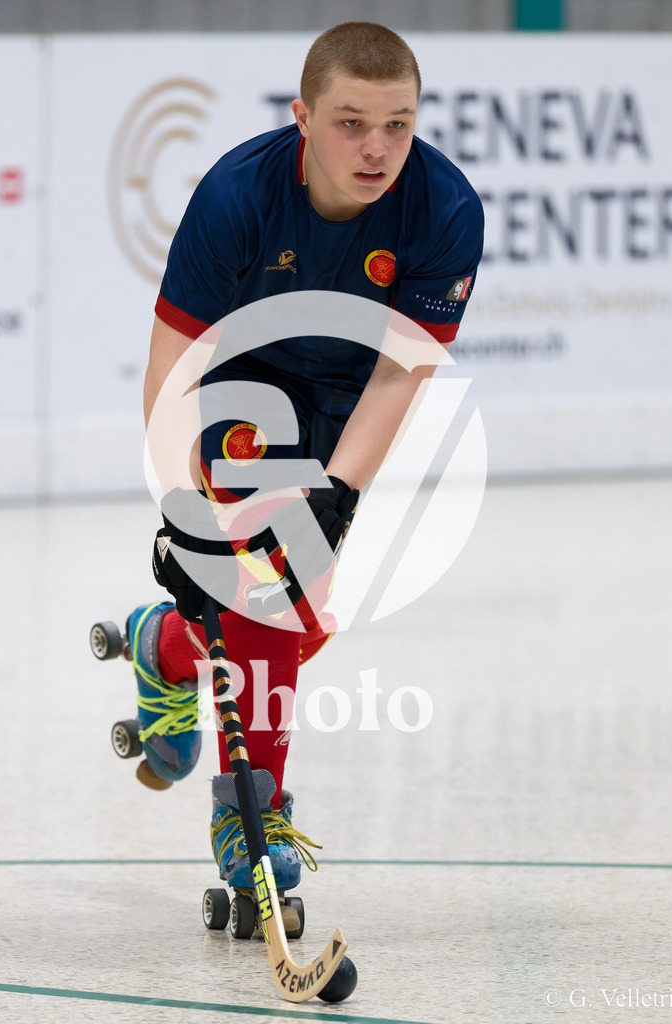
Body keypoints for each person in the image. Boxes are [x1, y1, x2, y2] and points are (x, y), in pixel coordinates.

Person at [124, 21, 484, 894]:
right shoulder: (235, 197)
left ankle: (167, 647)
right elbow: (173, 366)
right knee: (275, 600)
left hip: (345, 394)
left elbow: (402, 372)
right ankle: (251, 817)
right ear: (303, 119)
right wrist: (182, 508)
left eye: (398, 124)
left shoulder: (446, 209)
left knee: (298, 621)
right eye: (351, 122)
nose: (377, 148)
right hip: (240, 383)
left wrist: (343, 493)